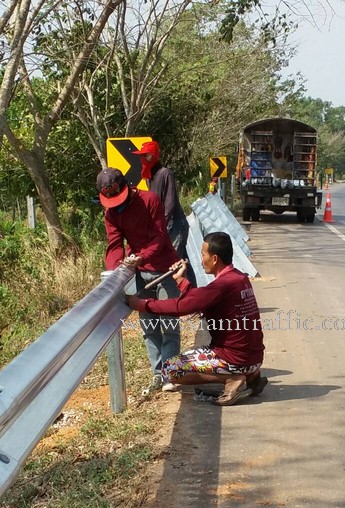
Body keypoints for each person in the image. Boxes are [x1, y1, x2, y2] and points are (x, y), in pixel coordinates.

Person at [126, 232, 267, 406]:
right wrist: (181, 280)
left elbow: (181, 307)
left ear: (214, 259)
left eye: (203, 254)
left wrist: (143, 304)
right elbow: (198, 300)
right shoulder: (240, 278)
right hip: (255, 359)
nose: (201, 260)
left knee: (169, 370)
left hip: (233, 358)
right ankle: (249, 374)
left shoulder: (221, 286)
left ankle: (233, 378)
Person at [97, 167, 181, 395]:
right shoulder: (111, 214)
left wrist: (143, 256)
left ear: (127, 187)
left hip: (164, 269)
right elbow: (115, 245)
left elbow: (159, 236)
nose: (117, 205)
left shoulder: (150, 200)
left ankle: (170, 373)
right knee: (149, 327)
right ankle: (158, 373)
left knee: (169, 325)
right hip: (139, 273)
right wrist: (117, 269)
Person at [132, 140, 196, 286]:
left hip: (175, 225)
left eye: (146, 155)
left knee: (173, 264)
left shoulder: (165, 173)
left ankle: (183, 295)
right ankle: (195, 294)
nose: (142, 159)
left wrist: (159, 226)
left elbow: (170, 203)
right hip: (166, 225)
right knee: (181, 261)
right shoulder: (149, 177)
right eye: (141, 156)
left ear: (153, 156)